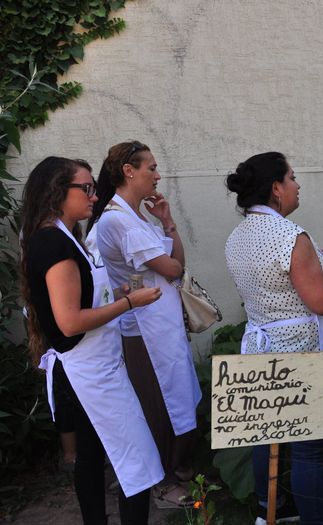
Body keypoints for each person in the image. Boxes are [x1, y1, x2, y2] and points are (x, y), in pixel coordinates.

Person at [225, 152, 323, 525]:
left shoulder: (237, 236)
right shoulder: (292, 237)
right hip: (300, 351)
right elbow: (319, 302)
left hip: (258, 347)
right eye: (292, 177)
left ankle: (268, 510)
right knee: (307, 449)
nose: (297, 184)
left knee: (263, 434)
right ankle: (313, 520)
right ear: (276, 188)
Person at [20, 156, 164, 524]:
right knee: (137, 461)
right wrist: (128, 303)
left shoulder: (62, 237)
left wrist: (113, 295)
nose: (94, 196)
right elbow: (69, 322)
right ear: (57, 192)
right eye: (85, 189)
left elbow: (77, 300)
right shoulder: (54, 244)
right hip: (89, 372)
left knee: (90, 455)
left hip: (92, 367)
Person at [87, 141, 201, 508]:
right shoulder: (118, 220)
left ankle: (175, 467)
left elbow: (177, 263)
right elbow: (173, 269)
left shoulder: (137, 218)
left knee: (175, 396)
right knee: (156, 404)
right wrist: (172, 260)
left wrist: (167, 221)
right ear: (128, 171)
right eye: (151, 168)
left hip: (160, 326)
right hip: (143, 331)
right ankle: (160, 481)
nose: (157, 175)